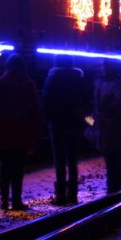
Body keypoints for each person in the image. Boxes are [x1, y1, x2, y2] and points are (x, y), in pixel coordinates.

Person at [0, 53, 43, 211]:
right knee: (18, 168)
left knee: (4, 167)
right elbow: (35, 110)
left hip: (1, 132)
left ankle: (3, 201)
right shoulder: (28, 84)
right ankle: (16, 201)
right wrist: (37, 133)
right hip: (21, 132)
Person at [42, 56, 90, 205]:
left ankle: (60, 195)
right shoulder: (79, 80)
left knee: (59, 161)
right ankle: (73, 195)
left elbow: (46, 101)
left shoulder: (52, 79)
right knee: (72, 160)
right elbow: (87, 104)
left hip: (57, 126)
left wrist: (49, 121)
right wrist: (89, 123)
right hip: (75, 125)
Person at [94, 59, 121, 193]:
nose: (103, 68)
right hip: (107, 127)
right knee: (112, 161)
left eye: (106, 65)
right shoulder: (107, 82)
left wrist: (98, 119)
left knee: (114, 161)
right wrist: (93, 121)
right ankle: (114, 189)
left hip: (114, 127)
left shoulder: (116, 82)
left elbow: (119, 104)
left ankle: (114, 191)